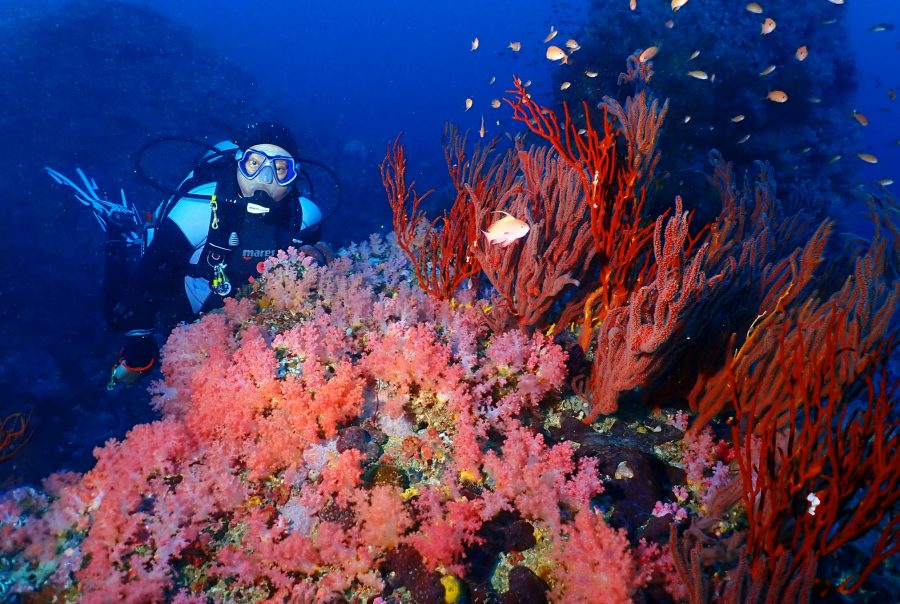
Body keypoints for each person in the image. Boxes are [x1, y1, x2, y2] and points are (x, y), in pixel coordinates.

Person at [96, 122, 330, 386]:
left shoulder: (304, 217)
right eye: (254, 164)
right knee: (118, 318)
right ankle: (117, 231)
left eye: (280, 169)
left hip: (241, 311)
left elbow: (311, 265)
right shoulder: (195, 211)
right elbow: (147, 280)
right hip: (184, 295)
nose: (265, 179)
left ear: (294, 175)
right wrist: (140, 343)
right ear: (239, 162)